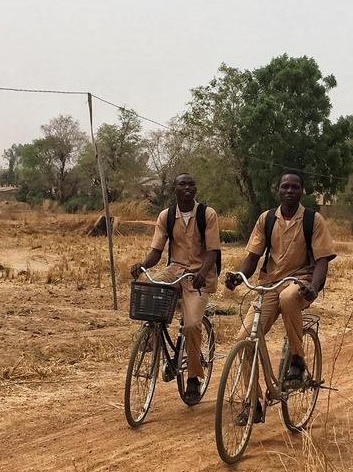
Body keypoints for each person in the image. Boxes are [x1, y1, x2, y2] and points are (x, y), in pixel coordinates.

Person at [225, 171, 336, 423]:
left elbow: (322, 261)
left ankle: (297, 358)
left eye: (294, 187)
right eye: (285, 186)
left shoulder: (312, 220)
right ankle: (253, 404)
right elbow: (252, 258)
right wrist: (237, 275)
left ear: (301, 191)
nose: (289, 191)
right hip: (269, 283)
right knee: (244, 339)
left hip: (302, 281)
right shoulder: (266, 219)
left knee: (288, 298)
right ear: (278, 190)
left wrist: (314, 287)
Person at [130, 173, 221, 403]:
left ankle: (193, 378)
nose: (187, 187)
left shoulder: (207, 215)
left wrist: (201, 273)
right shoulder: (167, 216)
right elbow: (156, 252)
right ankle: (152, 334)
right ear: (175, 189)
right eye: (182, 184)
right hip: (175, 269)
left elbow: (213, 251)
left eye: (191, 184)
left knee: (191, 325)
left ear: (196, 189)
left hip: (199, 275)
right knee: (149, 284)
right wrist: (143, 264)